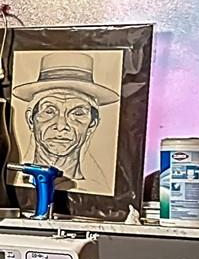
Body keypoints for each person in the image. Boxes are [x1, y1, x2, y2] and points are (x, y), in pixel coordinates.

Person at [11, 51, 119, 191]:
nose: (61, 126)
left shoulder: (99, 191)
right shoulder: (15, 185)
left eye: (77, 113)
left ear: (92, 124)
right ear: (31, 119)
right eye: (49, 111)